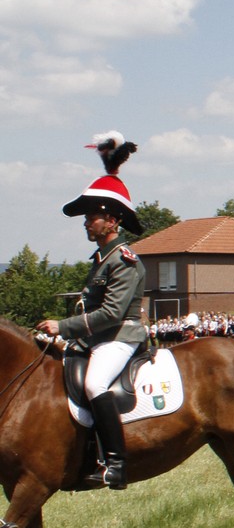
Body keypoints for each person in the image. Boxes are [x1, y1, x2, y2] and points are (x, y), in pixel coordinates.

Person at [36, 133, 147, 493]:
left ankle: (116, 463)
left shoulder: (124, 260)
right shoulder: (102, 259)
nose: (86, 223)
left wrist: (63, 326)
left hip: (120, 336)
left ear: (112, 220)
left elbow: (112, 313)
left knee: (94, 383)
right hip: (97, 338)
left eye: (92, 217)